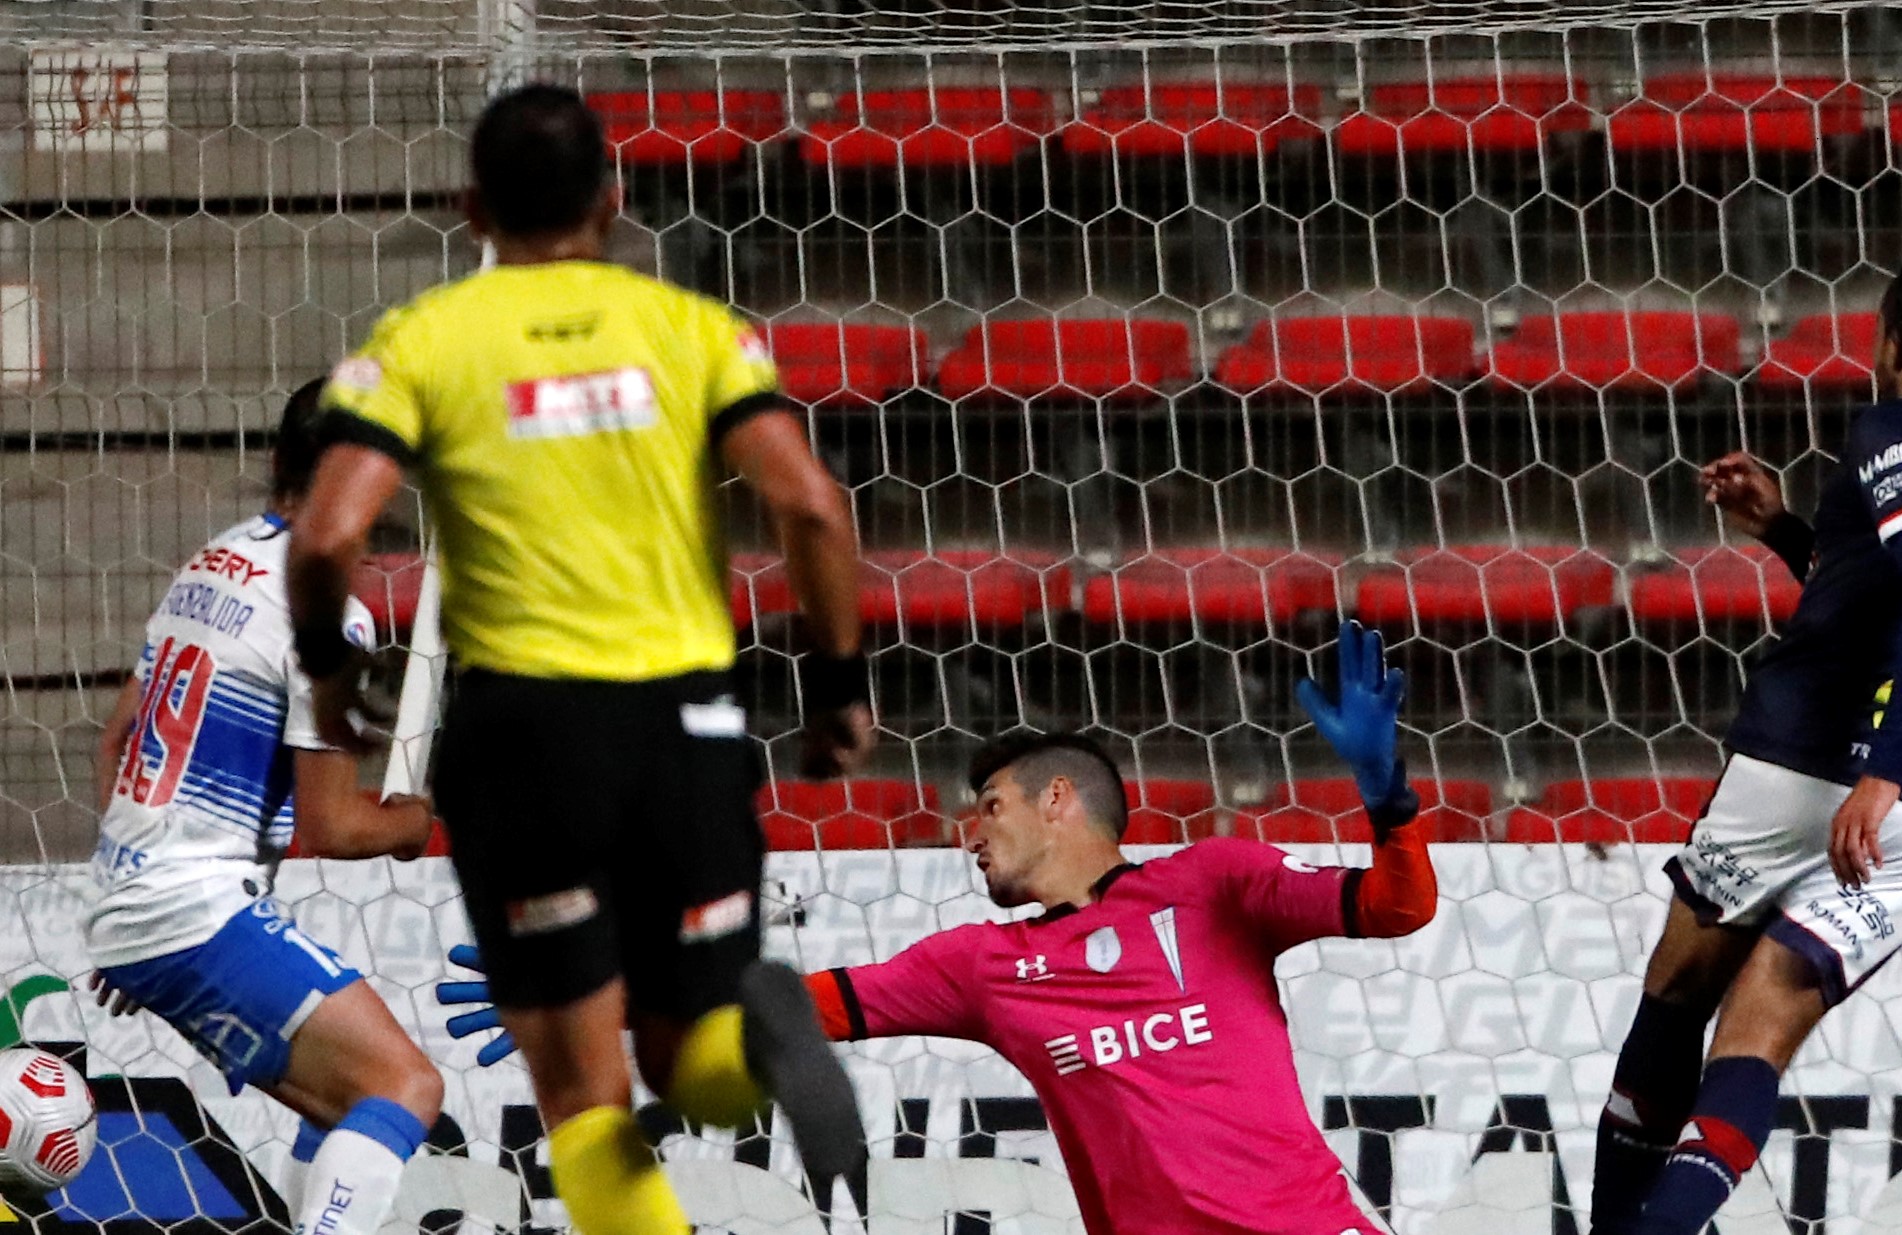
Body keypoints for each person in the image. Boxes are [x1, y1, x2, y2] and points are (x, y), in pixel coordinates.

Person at [287, 83, 875, 1235]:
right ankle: (745, 1038)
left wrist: (329, 671)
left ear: (470, 209)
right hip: (685, 723)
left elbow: (327, 532)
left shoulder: (424, 339)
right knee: (687, 1056)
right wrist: (839, 683)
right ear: (613, 201)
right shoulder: (693, 328)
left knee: (583, 1099)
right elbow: (809, 505)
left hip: (525, 740)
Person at [446, 619, 1441, 1234]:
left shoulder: (1215, 881)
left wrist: (1388, 794)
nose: (970, 833)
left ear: (1061, 799)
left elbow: (1399, 905)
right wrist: (581, 989)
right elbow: (802, 1012)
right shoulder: (982, 965)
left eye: (990, 806)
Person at [1589, 247, 1902, 1235]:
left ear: (1898, 337)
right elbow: (1900, 597)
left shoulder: (1898, 425)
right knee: (1756, 1040)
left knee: (1673, 1003)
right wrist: (1790, 531)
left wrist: (1876, 769)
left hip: (1808, 769)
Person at [83, 379, 444, 1235]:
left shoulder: (212, 561)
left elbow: (116, 743)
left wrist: (139, 905)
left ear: (278, 458)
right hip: (191, 908)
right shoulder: (324, 612)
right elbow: (337, 826)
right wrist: (416, 824)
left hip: (141, 898)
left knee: (347, 1105)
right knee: (406, 1086)